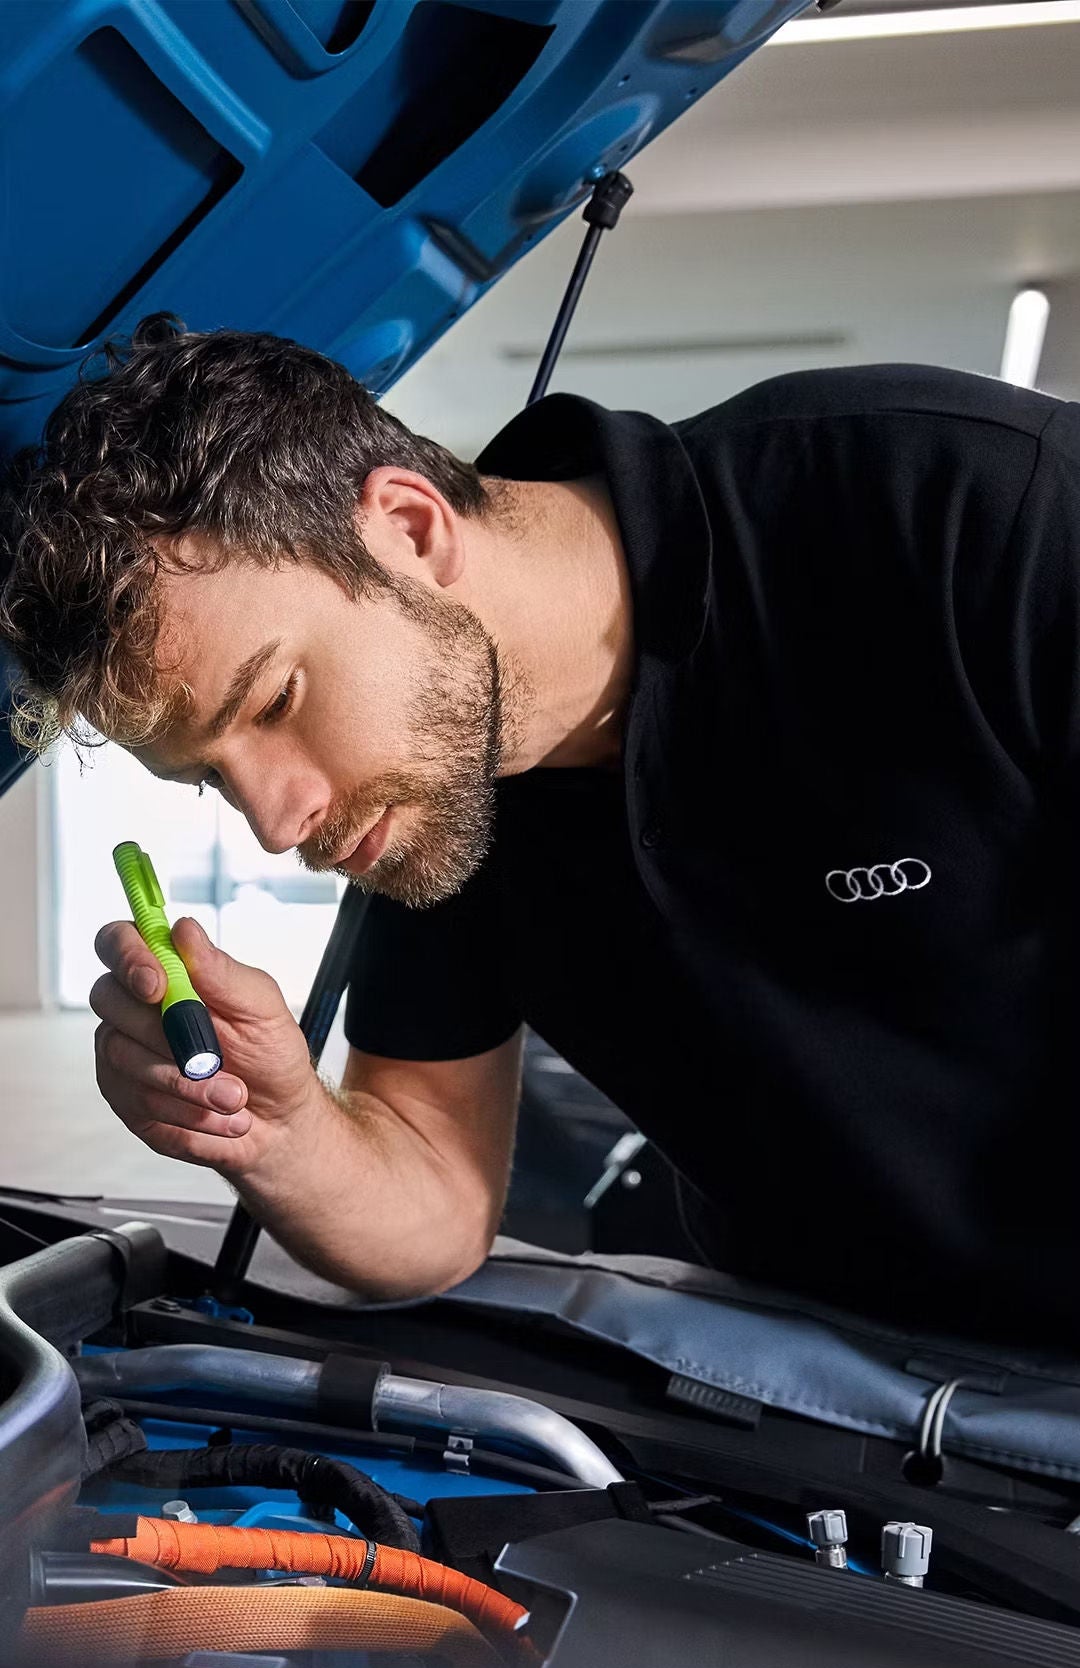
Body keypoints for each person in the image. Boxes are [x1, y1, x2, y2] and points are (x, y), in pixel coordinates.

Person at [3, 314, 1079, 1337]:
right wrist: (282, 1135)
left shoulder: (966, 507)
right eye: (210, 781)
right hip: (821, 1391)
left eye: (276, 700)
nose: (278, 826)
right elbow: (434, 1202)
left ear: (411, 529)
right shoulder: (442, 788)